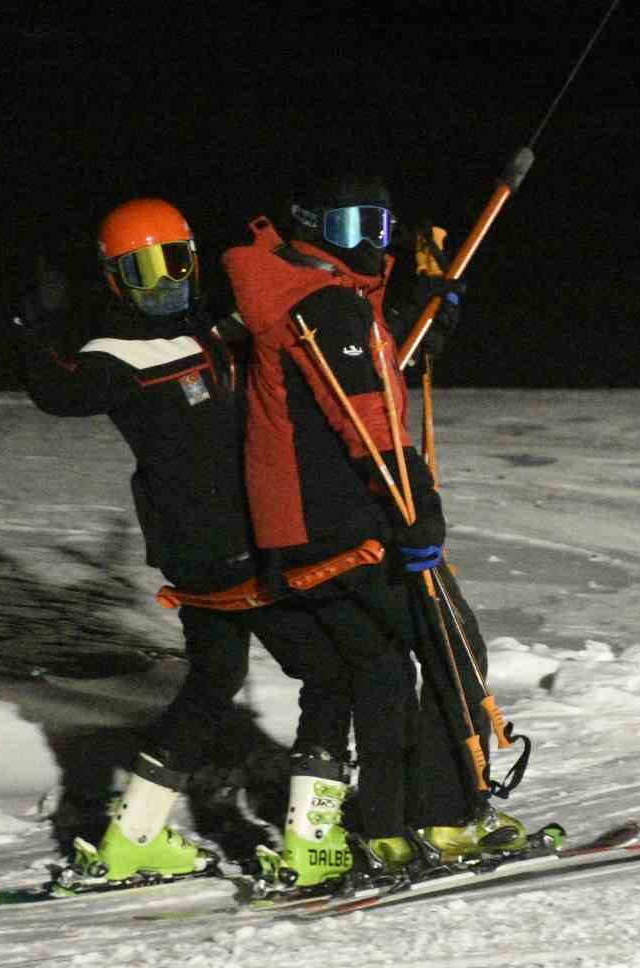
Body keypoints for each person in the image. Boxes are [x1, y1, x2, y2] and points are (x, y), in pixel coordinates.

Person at [13, 197, 378, 890]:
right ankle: (312, 843)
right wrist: (39, 324)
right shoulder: (118, 355)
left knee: (213, 680)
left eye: (173, 263)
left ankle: (132, 839)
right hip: (233, 555)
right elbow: (59, 393)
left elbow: (284, 318)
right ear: (116, 282)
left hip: (199, 559)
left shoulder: (208, 336)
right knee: (332, 672)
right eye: (142, 271)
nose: (164, 283)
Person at [223, 171, 529, 871]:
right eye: (352, 226)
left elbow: (368, 373)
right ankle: (445, 817)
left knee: (384, 668)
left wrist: (422, 313)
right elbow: (367, 417)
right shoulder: (327, 308)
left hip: (298, 532)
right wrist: (420, 514)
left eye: (380, 228)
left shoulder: (294, 297)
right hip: (353, 528)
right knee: (456, 646)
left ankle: (385, 827)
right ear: (312, 227)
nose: (370, 242)